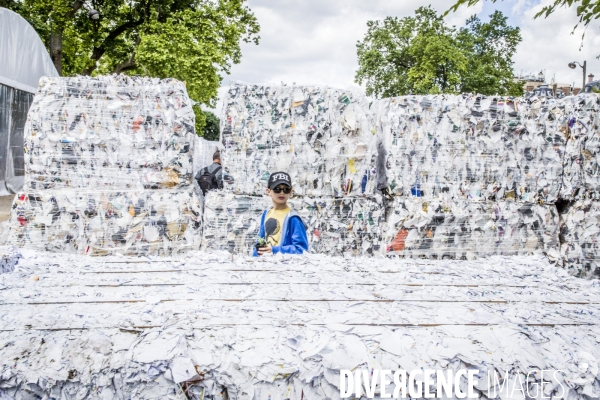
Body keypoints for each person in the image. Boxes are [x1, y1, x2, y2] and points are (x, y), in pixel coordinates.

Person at [254, 172, 309, 256]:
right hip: (266, 265)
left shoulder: (293, 218)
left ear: (291, 192)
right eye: (277, 189)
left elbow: (301, 249)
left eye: (286, 189)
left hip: (284, 267)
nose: (282, 193)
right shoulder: (266, 213)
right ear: (268, 191)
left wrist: (274, 250)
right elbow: (260, 242)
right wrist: (255, 258)